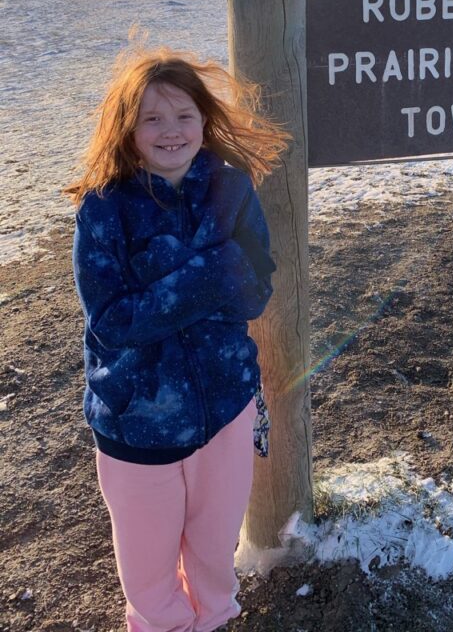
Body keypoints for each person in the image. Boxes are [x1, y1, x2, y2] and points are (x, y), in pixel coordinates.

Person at [66, 48, 288, 632]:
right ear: (127, 129)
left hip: (226, 408)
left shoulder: (234, 190)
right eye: (152, 119)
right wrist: (213, 270)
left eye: (184, 115)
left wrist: (177, 282)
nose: (171, 131)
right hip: (137, 421)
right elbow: (114, 321)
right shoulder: (103, 210)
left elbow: (255, 294)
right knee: (149, 581)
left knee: (215, 565)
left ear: (204, 120)